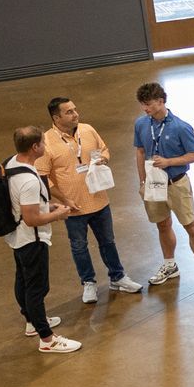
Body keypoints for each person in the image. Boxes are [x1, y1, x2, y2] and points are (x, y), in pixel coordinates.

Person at [39, 97, 142, 302]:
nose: (75, 114)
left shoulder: (87, 130)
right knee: (79, 246)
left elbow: (103, 149)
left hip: (99, 200)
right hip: (73, 207)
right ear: (56, 117)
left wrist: (104, 157)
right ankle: (88, 283)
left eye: (75, 110)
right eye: (69, 112)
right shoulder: (47, 141)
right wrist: (65, 200)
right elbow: (43, 178)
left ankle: (118, 276)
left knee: (108, 241)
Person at [2, 127, 81, 353]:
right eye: (43, 144)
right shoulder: (29, 181)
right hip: (31, 240)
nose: (45, 147)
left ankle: (31, 322)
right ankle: (47, 340)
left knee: (23, 280)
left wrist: (49, 206)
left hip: (17, 238)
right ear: (35, 147)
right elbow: (31, 219)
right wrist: (58, 214)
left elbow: (26, 207)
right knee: (37, 288)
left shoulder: (11, 164)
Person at [131, 81, 194, 292]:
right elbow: (140, 151)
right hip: (153, 183)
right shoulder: (141, 124)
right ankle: (169, 264)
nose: (145, 108)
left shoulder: (180, 127)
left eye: (148, 104)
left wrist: (169, 162)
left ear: (161, 101)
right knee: (162, 224)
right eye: (142, 104)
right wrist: (142, 181)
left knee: (191, 226)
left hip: (176, 183)